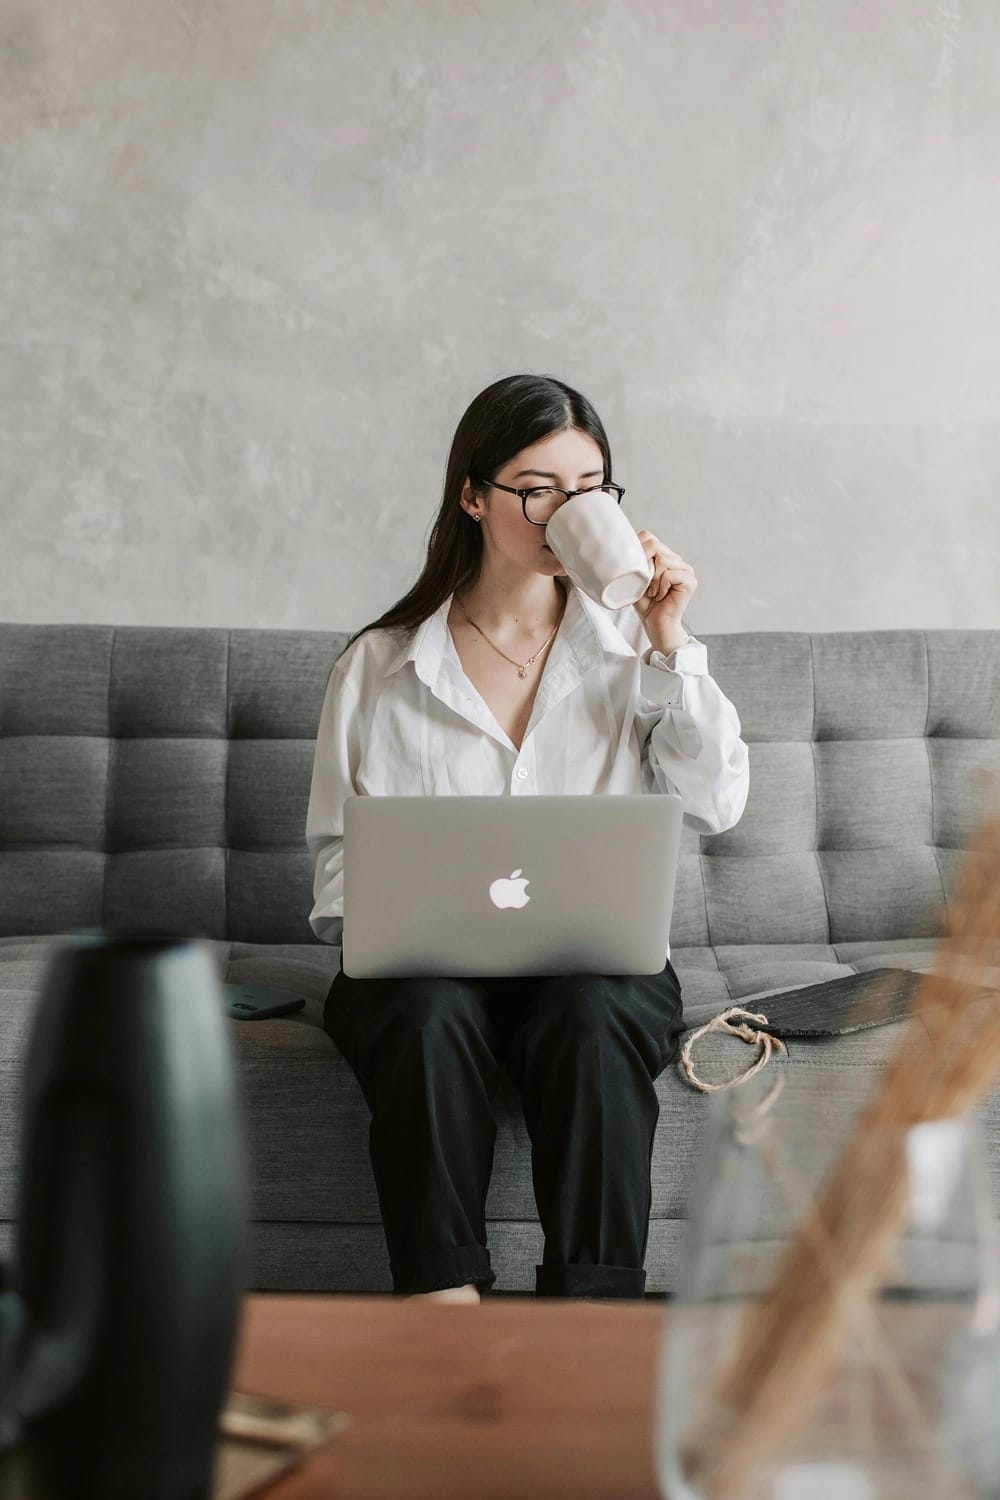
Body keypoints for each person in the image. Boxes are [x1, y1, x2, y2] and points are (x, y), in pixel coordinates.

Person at [305, 374, 750, 1303]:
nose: (568, 511)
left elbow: (718, 804)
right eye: (538, 487)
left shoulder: (634, 652)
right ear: (474, 496)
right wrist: (391, 922)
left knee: (594, 1015)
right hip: (424, 975)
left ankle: (591, 1317)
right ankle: (442, 1306)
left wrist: (672, 641)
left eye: (590, 488)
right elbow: (339, 860)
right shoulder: (380, 664)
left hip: (590, 964)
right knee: (425, 1014)